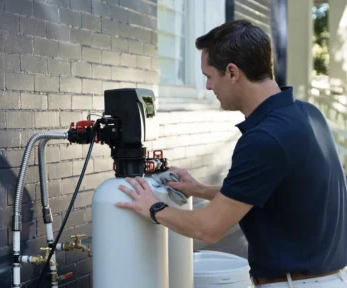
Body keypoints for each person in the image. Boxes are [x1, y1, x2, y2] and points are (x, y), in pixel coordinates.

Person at [115, 19, 347, 287]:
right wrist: (199, 189)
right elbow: (266, 193)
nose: (208, 87)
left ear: (233, 72)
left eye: (208, 76)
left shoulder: (265, 139)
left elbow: (208, 228)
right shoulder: (308, 114)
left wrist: (153, 208)